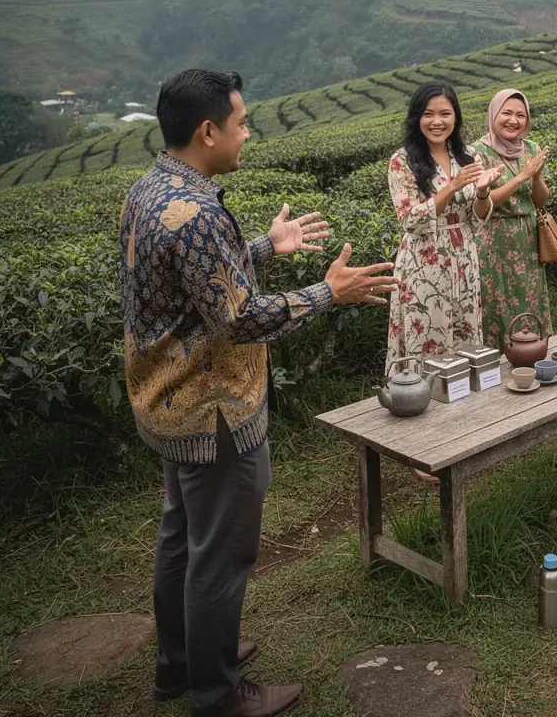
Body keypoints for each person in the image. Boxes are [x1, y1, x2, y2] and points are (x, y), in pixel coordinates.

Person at [120, 69, 398, 717]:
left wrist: (263, 246)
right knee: (220, 556)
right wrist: (331, 292)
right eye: (241, 123)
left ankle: (179, 662)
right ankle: (217, 696)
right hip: (212, 407)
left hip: (164, 399)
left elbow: (197, 277)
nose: (249, 133)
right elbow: (237, 316)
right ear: (208, 130)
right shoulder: (196, 212)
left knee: (180, 534)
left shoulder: (153, 189)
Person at [386, 82, 502, 375]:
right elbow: (410, 220)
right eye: (428, 114)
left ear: (456, 118)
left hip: (463, 256)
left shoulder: (469, 156)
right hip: (425, 262)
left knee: (465, 329)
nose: (437, 122)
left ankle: (462, 403)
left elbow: (476, 219)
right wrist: (453, 186)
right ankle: (420, 401)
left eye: (445, 114)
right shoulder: (402, 161)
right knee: (427, 330)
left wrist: (484, 192)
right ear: (417, 118)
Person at [470, 89, 552, 352]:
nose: (513, 120)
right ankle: (495, 363)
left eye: (520, 115)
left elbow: (540, 201)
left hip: (527, 239)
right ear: (493, 114)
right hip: (493, 239)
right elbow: (482, 204)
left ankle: (531, 354)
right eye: (506, 113)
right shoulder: (477, 152)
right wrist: (520, 177)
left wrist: (536, 177)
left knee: (529, 299)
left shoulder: (532, 149)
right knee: (496, 302)